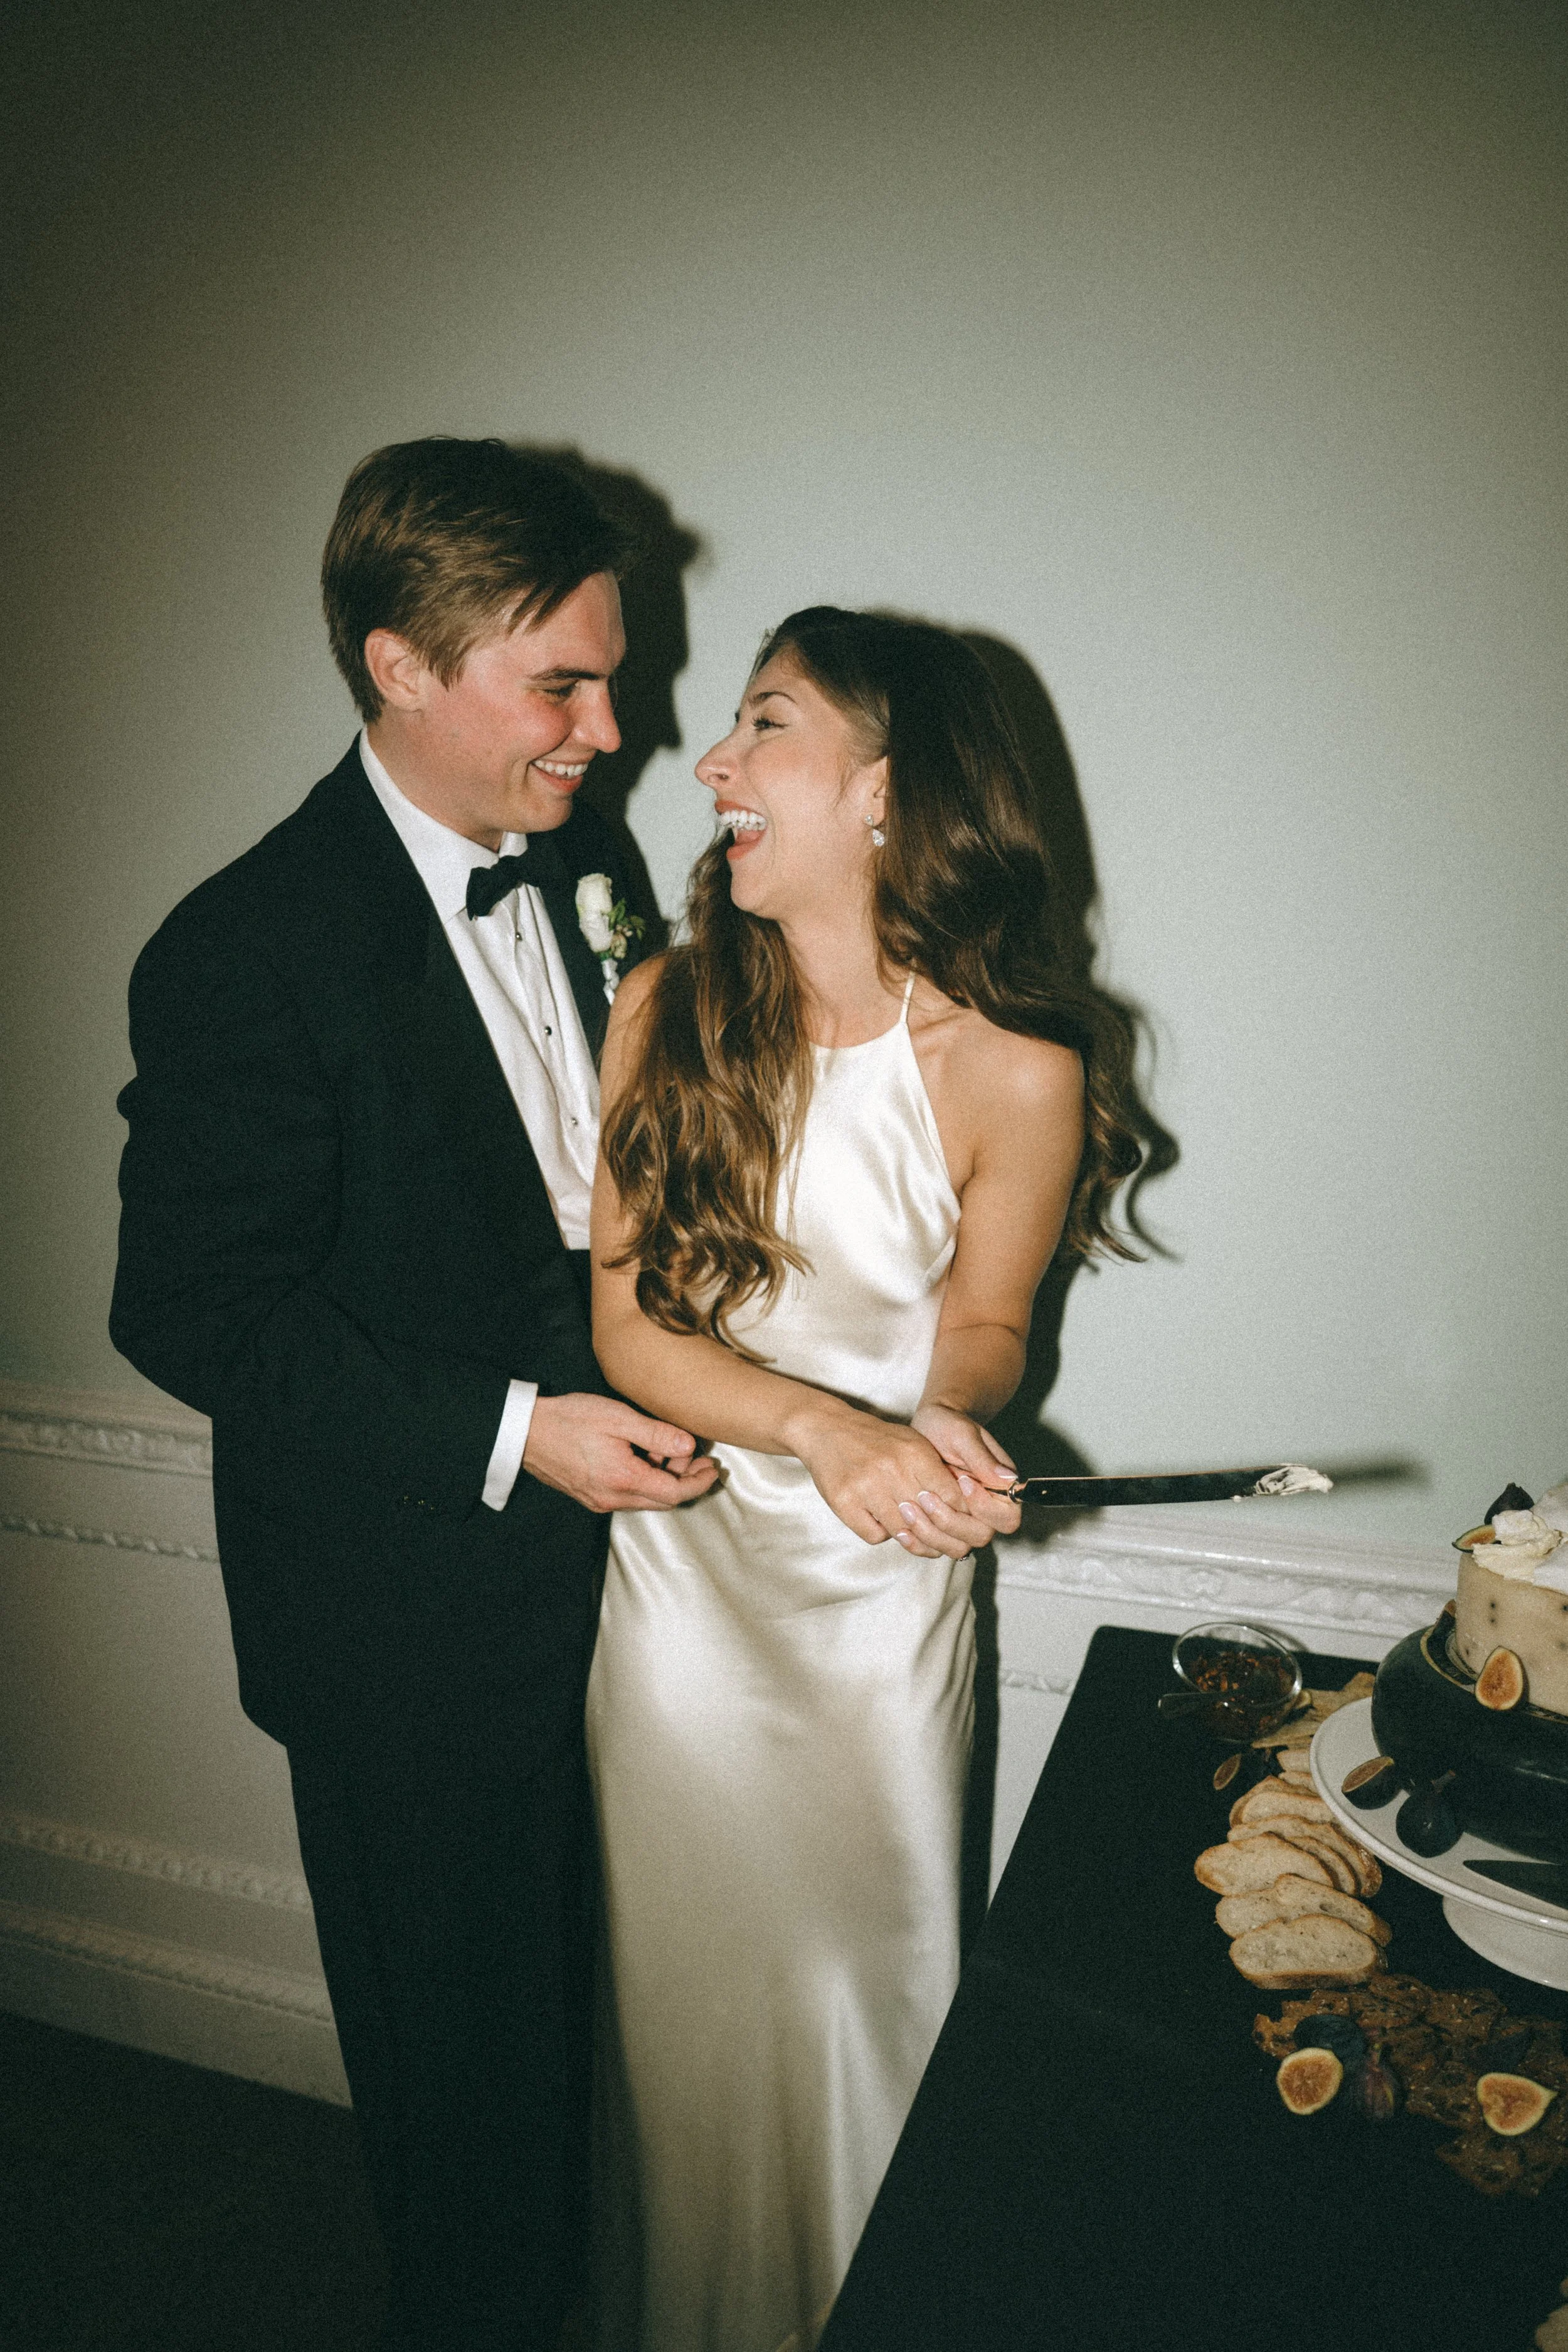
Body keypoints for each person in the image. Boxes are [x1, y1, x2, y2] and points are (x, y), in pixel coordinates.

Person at [110, 437, 717, 2352]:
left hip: (624, 1578)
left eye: (609, 680)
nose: (611, 730)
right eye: (563, 685)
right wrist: (517, 1430)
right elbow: (187, 1310)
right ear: (399, 663)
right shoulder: (243, 949)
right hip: (401, 1625)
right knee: (466, 2106)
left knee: (595, 2053)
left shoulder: (593, 867)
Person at [586, 607, 1145, 2352]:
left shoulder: (1021, 1066)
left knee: (870, 2011)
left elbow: (984, 1325)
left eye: (766, 723)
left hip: (881, 1610)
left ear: (891, 790)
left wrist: (946, 1424)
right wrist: (825, 1432)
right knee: (680, 2030)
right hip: (681, 1609)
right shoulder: (666, 1007)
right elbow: (626, 1328)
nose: (712, 764)